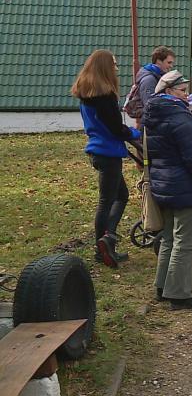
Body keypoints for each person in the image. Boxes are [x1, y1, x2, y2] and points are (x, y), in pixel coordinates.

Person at [145, 70, 192, 310]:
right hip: (184, 187)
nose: (187, 96)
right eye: (182, 91)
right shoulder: (179, 116)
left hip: (163, 185)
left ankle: (162, 286)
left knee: (167, 238)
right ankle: (178, 294)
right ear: (168, 92)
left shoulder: (155, 114)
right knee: (184, 242)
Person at [72, 49, 141, 268]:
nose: (116, 69)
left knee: (120, 195)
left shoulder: (85, 93)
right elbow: (115, 129)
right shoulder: (106, 96)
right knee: (108, 200)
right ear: (104, 68)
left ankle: (105, 240)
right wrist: (135, 133)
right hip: (108, 152)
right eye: (114, 65)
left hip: (96, 150)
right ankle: (103, 244)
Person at [133, 46, 176, 127]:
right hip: (150, 124)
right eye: (169, 62)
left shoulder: (157, 76)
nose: (171, 66)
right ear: (159, 61)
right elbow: (149, 106)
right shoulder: (149, 80)